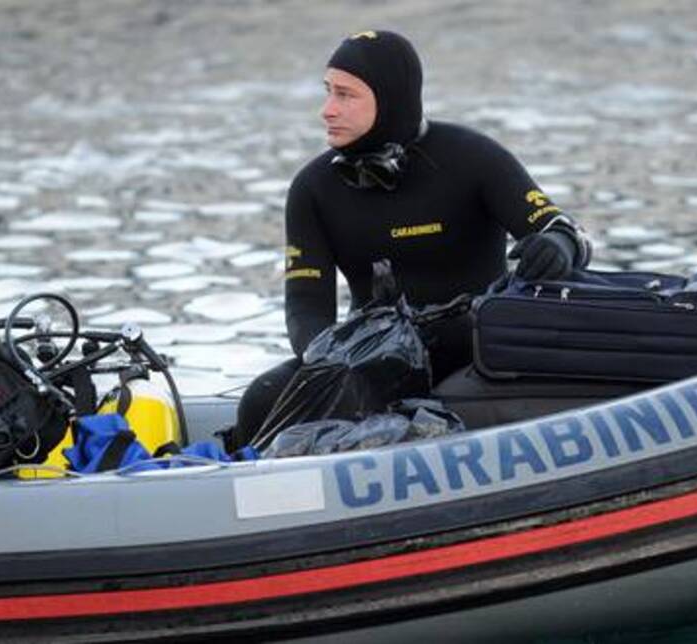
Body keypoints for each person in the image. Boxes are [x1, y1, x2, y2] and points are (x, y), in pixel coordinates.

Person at [233, 30, 591, 447]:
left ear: (390, 98)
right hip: (374, 359)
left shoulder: (472, 157)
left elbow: (561, 230)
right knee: (260, 401)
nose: (327, 110)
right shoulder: (313, 188)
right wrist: (333, 361)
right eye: (328, 92)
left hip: (473, 348)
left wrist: (557, 247)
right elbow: (306, 305)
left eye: (346, 95)